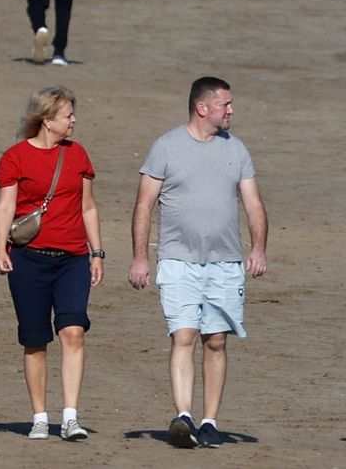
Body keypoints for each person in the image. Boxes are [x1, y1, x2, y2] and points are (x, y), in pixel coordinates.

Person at [128, 77, 270, 450]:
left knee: (216, 341)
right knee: (184, 335)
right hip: (178, 261)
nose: (231, 110)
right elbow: (143, 205)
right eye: (226, 104)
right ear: (202, 107)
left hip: (225, 263)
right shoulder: (166, 147)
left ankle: (209, 422)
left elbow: (253, 203)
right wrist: (140, 257)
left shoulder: (236, 149)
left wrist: (258, 248)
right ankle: (184, 416)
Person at [0, 86, 105, 441]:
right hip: (28, 259)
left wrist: (97, 252)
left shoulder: (78, 155)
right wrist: (0, 248)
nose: (74, 121)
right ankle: (40, 417)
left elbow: (88, 208)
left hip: (72, 259)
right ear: (47, 120)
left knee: (73, 331)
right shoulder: (15, 157)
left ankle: (70, 417)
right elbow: (6, 206)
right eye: (67, 115)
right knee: (35, 340)